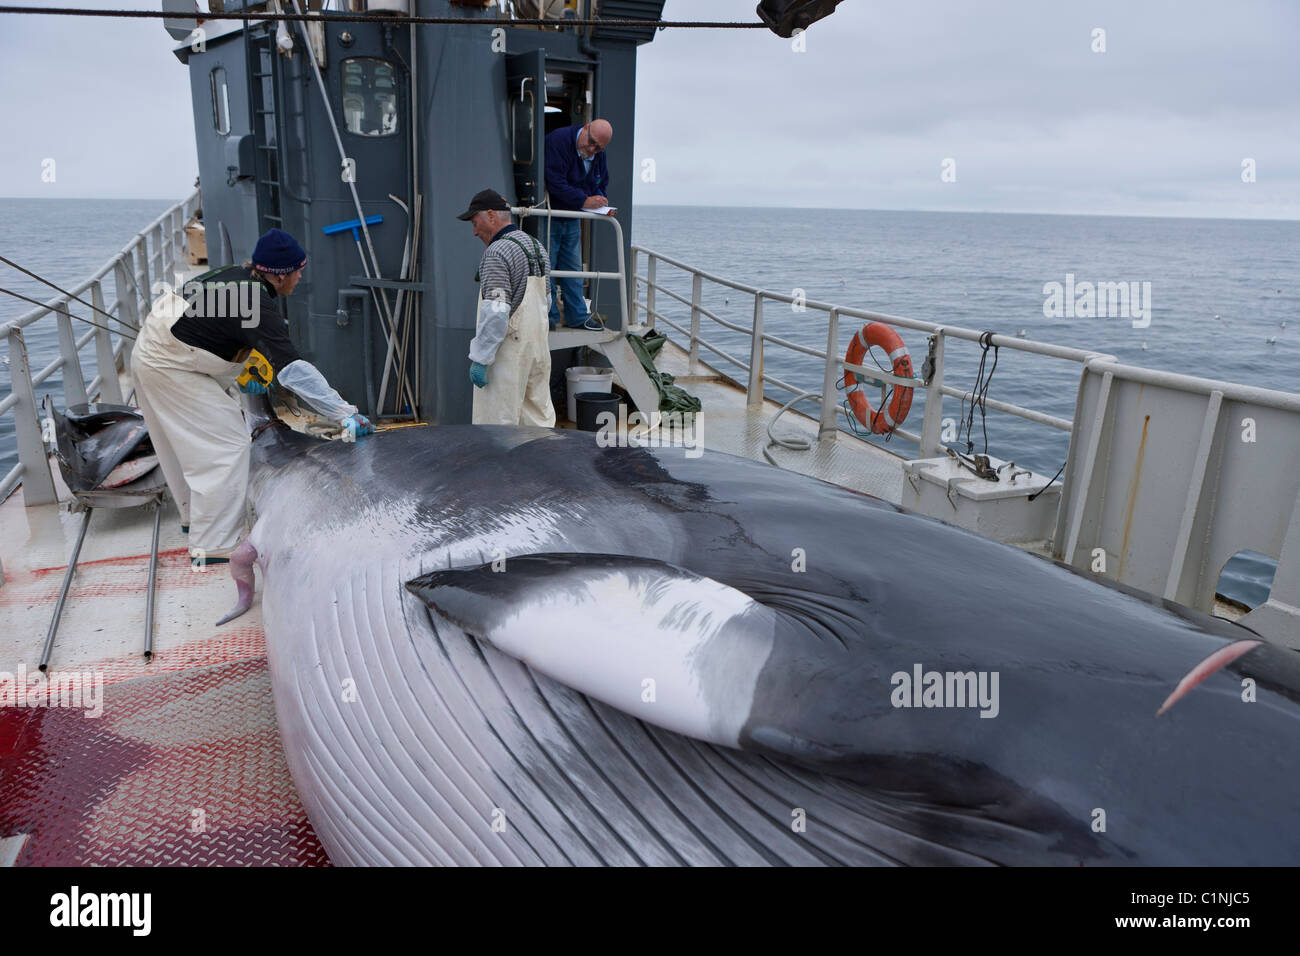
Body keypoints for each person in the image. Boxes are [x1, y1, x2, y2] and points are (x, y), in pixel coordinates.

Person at [130, 227, 371, 565]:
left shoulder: (239, 278)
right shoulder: (256, 304)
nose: (301, 276)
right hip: (170, 365)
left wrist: (240, 369)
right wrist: (342, 411)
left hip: (154, 348)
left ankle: (191, 517)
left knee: (177, 443)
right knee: (226, 446)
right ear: (280, 275)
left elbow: (214, 323)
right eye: (298, 270)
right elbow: (292, 369)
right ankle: (212, 545)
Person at [457, 189, 556, 427]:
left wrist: (481, 358)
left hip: (508, 352)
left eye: (474, 222)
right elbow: (548, 300)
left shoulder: (497, 252)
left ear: (491, 215)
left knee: (497, 426)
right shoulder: (536, 246)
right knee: (537, 422)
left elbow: (496, 311)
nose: (474, 232)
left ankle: (499, 466)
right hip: (539, 347)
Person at [543, 118, 612, 330]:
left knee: (573, 270)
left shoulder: (598, 154)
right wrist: (584, 200)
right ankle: (549, 318)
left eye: (598, 148)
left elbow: (601, 181)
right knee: (548, 269)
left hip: (572, 217)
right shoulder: (558, 141)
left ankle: (578, 317)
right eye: (591, 142)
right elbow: (554, 181)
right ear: (584, 128)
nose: (592, 149)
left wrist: (600, 200)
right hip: (550, 216)